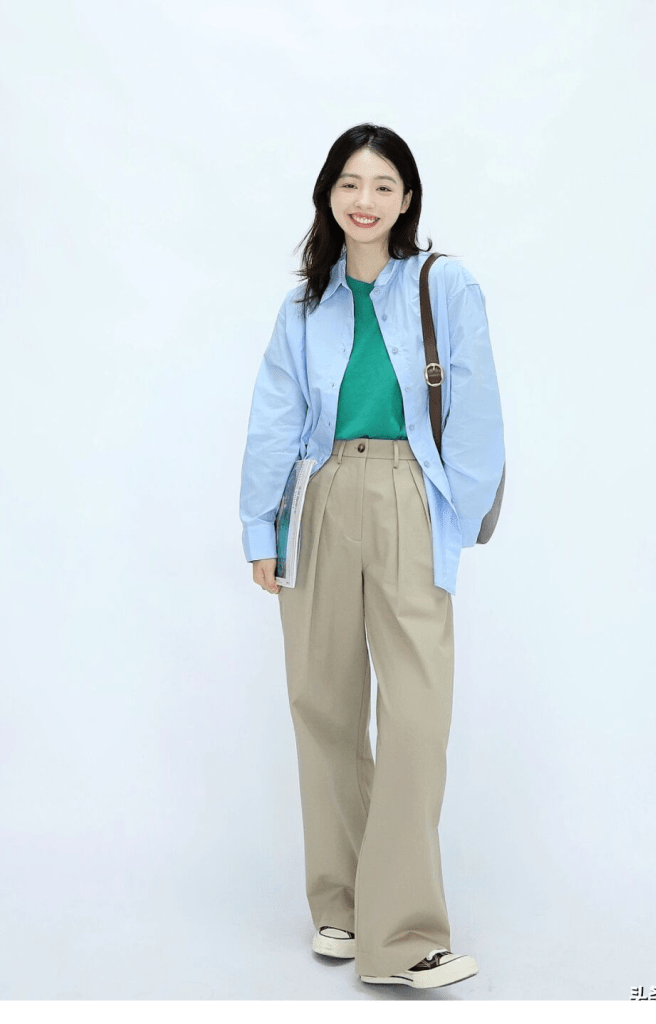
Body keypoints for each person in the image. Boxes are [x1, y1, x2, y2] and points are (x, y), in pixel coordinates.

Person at [239, 123, 505, 989]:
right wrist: (261, 530)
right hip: (319, 496)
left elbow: (476, 404)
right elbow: (274, 419)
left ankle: (404, 934)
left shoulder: (442, 283)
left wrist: (454, 515)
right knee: (322, 704)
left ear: (406, 199)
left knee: (417, 715)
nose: (365, 200)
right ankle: (344, 906)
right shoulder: (303, 307)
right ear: (328, 194)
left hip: (408, 493)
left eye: (383, 185)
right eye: (350, 183)